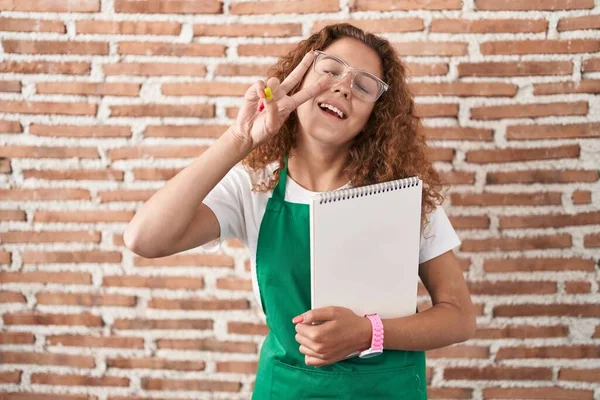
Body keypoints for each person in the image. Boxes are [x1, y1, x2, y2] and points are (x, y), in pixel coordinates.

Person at [124, 23, 476, 399]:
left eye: (364, 84)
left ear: (377, 113)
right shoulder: (254, 186)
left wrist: (368, 331)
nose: (343, 87)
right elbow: (144, 239)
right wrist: (241, 138)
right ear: (300, 80)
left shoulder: (404, 194)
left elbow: (459, 316)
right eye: (331, 71)